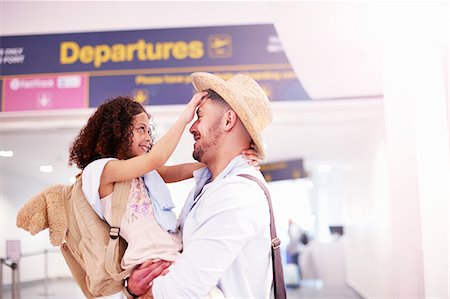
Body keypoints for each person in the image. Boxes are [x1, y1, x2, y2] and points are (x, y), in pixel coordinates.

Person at [68, 93, 260, 298]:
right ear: (117, 130)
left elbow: (180, 170)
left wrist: (232, 158)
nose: (148, 138)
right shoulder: (100, 171)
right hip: (151, 261)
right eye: (141, 129)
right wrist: (184, 117)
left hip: (168, 256)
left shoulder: (142, 172)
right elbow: (156, 159)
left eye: (148, 130)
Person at [127, 72, 274, 298]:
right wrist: (134, 286)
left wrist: (136, 294)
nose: (192, 127)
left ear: (228, 120)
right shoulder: (210, 183)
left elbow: (181, 290)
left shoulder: (237, 194)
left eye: (199, 115)